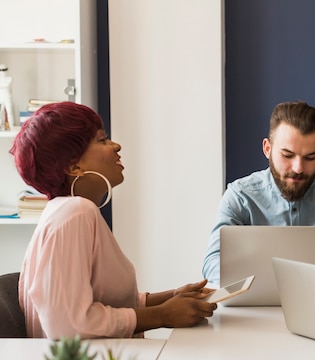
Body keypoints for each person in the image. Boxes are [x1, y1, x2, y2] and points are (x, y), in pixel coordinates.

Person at [11, 101, 217, 339]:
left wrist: (169, 298)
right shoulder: (75, 213)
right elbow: (69, 324)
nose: (116, 146)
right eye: (102, 140)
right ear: (74, 166)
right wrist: (162, 315)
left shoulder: (65, 211)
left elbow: (100, 300)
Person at [202, 100, 315, 285]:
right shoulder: (240, 196)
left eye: (311, 157)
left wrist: (314, 276)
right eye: (287, 155)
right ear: (267, 149)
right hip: (255, 307)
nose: (298, 168)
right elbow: (213, 263)